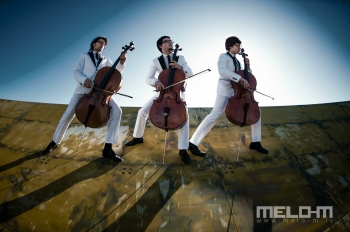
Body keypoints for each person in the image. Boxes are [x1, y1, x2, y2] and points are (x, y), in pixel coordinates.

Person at [42, 36, 127, 163]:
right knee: (67, 115)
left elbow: (116, 73)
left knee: (117, 111)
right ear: (94, 44)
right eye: (101, 42)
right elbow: (77, 72)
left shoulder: (107, 60)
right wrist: (84, 80)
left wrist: (122, 61)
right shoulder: (84, 56)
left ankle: (108, 148)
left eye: (104, 44)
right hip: (82, 92)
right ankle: (54, 142)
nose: (103, 45)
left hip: (100, 93)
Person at [188, 36, 268, 156]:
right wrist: (240, 78)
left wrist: (248, 67)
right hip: (225, 90)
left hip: (237, 92)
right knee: (215, 114)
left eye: (240, 45)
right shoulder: (223, 56)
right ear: (230, 46)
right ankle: (193, 142)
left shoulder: (238, 61)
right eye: (237, 45)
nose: (239, 47)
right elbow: (222, 70)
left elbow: (246, 77)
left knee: (256, 111)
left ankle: (255, 142)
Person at [124, 36, 199, 164]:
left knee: (183, 118)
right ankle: (138, 137)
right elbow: (148, 78)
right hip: (162, 93)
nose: (170, 42)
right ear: (160, 46)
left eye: (171, 41)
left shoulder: (180, 58)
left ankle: (182, 149)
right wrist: (156, 82)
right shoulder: (155, 61)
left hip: (177, 93)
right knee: (142, 112)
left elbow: (190, 73)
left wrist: (180, 67)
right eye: (167, 41)